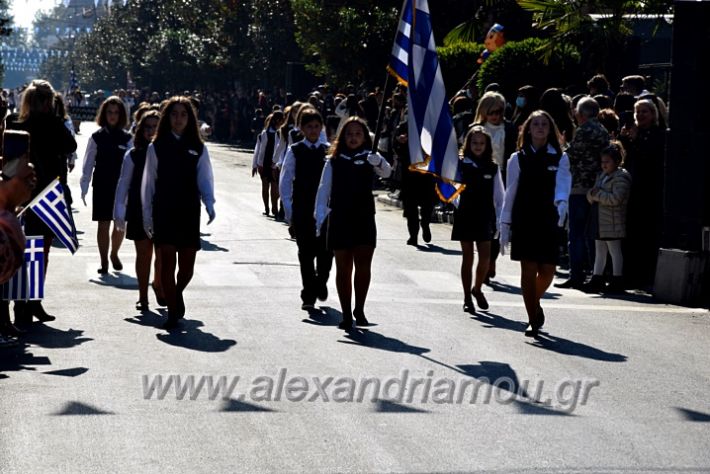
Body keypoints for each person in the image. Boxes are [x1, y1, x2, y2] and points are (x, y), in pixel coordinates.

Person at [5, 79, 77, 325]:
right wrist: (57, 118)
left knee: (18, 250)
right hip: (42, 191)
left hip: (17, 192)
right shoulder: (51, 124)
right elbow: (70, 144)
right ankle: (26, 304)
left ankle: (25, 304)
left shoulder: (13, 121)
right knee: (37, 252)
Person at [142, 96, 216, 329]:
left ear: (190, 118)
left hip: (188, 210)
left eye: (184, 114)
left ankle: (177, 291)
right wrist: (146, 214)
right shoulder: (157, 146)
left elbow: (205, 178)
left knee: (187, 267)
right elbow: (148, 183)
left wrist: (210, 203)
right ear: (167, 117)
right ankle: (172, 312)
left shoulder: (198, 147)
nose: (179, 119)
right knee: (166, 263)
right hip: (164, 209)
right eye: (174, 114)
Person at [314, 117, 391, 329]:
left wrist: (380, 162)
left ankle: (360, 308)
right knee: (343, 267)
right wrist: (319, 218)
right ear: (342, 136)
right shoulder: (334, 160)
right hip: (340, 217)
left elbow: (387, 172)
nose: (353, 138)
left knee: (363, 266)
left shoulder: (370, 157)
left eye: (358, 134)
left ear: (365, 137)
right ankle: (346, 313)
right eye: (349, 134)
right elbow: (323, 189)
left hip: (364, 216)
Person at [500, 110, 571, 337]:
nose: (540, 128)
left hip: (549, 220)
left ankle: (534, 301)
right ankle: (532, 318)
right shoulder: (517, 158)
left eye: (544, 124)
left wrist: (561, 205)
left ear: (550, 130)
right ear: (528, 129)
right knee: (528, 269)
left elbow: (563, 185)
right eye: (535, 124)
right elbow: (510, 193)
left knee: (548, 271)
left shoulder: (560, 157)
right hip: (525, 219)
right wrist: (504, 223)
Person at [279, 108, 333, 310]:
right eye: (309, 127)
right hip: (302, 208)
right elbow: (285, 182)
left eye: (316, 127)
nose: (313, 130)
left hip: (326, 209)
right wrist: (289, 212)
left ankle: (321, 281)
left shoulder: (328, 151)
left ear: (321, 128)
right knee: (306, 252)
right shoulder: (295, 150)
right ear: (301, 128)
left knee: (326, 252)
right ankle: (308, 292)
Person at [555, 97, 609, 290]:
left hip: (579, 186)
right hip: (596, 187)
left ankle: (576, 275)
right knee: (592, 234)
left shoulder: (583, 131)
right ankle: (595, 274)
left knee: (576, 233)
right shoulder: (602, 131)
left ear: (581, 114)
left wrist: (562, 145)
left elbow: (571, 156)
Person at [114, 110, 163, 311]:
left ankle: (158, 284)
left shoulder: (168, 151)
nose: (151, 131)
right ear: (140, 130)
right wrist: (119, 212)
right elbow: (123, 184)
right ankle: (143, 296)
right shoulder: (133, 154)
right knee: (144, 255)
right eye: (147, 127)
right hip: (138, 209)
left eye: (155, 127)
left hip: (163, 209)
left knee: (163, 256)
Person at [452, 126, 504, 313]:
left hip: (485, 215)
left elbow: (499, 196)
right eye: (474, 142)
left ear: (487, 145)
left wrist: (500, 220)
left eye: (482, 143)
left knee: (485, 258)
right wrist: (457, 203)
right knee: (467, 256)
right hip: (465, 214)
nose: (478, 146)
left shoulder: (493, 167)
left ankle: (477, 288)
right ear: (468, 144)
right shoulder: (460, 164)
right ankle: (467, 297)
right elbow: (452, 186)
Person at [80, 96, 132, 274]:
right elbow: (88, 163)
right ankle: (103, 262)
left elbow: (134, 163)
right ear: (104, 114)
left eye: (116, 112)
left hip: (121, 187)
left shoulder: (127, 138)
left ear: (121, 115)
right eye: (109, 112)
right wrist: (84, 186)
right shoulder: (96, 137)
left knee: (119, 223)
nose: (112, 116)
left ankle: (114, 253)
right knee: (103, 224)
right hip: (102, 185)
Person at [619, 99, 665, 289]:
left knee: (645, 234)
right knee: (630, 233)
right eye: (637, 112)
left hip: (648, 191)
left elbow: (650, 158)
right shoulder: (634, 134)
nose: (640, 116)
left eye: (644, 112)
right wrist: (625, 140)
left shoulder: (657, 134)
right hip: (632, 189)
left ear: (653, 114)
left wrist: (636, 140)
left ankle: (644, 276)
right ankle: (628, 275)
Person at [472, 91, 518, 283]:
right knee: (483, 224)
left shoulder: (510, 128)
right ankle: (484, 260)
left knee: (499, 222)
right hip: (481, 181)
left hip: (504, 180)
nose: (495, 116)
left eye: (499, 111)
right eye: (491, 112)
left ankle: (492, 260)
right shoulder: (476, 129)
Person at [583, 141, 632, 293]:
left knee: (614, 250)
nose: (604, 165)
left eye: (607, 162)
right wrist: (592, 195)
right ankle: (597, 278)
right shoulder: (602, 176)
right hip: (600, 221)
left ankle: (617, 279)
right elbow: (592, 194)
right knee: (600, 250)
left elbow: (617, 198)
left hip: (612, 221)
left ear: (617, 161)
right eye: (602, 162)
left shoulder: (621, 177)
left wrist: (597, 195)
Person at [393, 119, 436, 246]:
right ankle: (413, 235)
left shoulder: (431, 125)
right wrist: (399, 141)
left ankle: (425, 223)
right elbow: (395, 147)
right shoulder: (404, 126)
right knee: (410, 206)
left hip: (427, 173)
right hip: (409, 173)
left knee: (428, 204)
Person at [251, 111, 285, 217]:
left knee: (274, 187)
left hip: (274, 164)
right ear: (277, 121)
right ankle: (267, 208)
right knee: (265, 186)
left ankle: (274, 208)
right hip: (263, 164)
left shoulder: (281, 134)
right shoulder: (263, 134)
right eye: (282, 120)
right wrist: (254, 165)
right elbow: (257, 150)